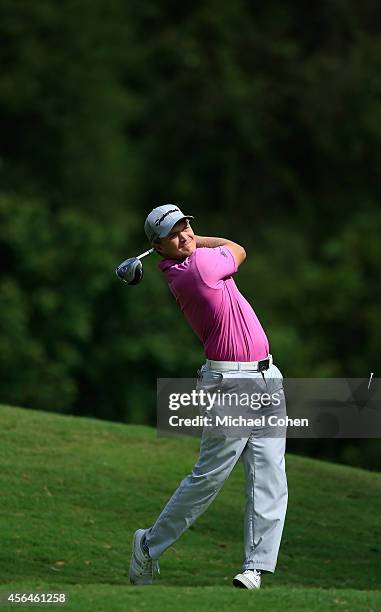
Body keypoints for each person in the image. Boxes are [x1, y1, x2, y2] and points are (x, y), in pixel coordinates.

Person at [129, 204, 288, 589]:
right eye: (173, 234)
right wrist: (199, 242)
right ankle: (148, 546)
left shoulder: (189, 262)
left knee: (269, 475)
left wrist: (189, 241)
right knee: (208, 479)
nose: (184, 236)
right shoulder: (197, 269)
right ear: (158, 247)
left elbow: (223, 250)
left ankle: (255, 568)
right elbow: (238, 247)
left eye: (185, 227)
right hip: (231, 385)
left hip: (267, 376)